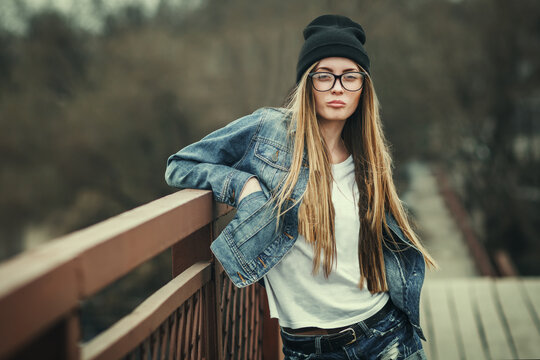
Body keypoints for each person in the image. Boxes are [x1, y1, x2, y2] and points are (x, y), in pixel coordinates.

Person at [165, 14, 436, 360]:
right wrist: (243, 185)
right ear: (308, 83)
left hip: (385, 339)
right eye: (324, 76)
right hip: (305, 350)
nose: (338, 87)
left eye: (350, 77)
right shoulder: (268, 131)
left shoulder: (369, 156)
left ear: (362, 88)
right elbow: (180, 166)